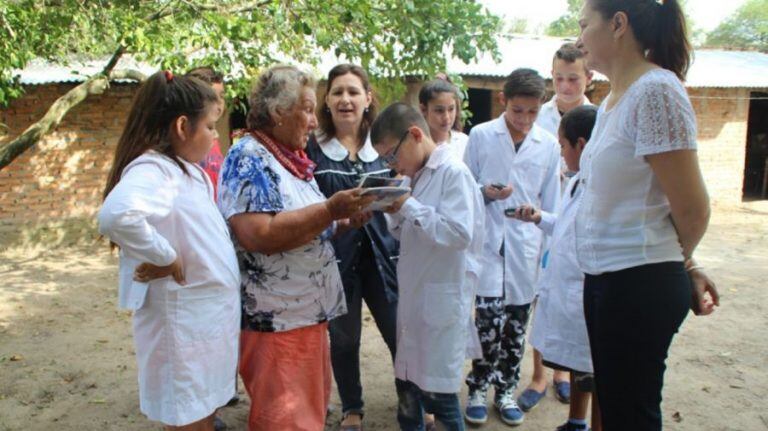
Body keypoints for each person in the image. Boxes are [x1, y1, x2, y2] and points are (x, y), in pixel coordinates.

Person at [575, 1, 719, 429]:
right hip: (607, 279)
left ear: (618, 24)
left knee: (631, 416)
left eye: (585, 25)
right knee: (616, 407)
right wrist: (685, 262)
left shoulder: (656, 91)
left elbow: (692, 208)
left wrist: (677, 262)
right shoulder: (613, 102)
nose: (579, 37)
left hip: (637, 283)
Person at [216, 65, 373, 431]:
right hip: (277, 320)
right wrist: (330, 208)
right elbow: (258, 234)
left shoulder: (286, 159)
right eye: (306, 109)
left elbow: (303, 224)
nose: (314, 121)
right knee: (285, 422)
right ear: (277, 113)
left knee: (307, 416)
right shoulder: (249, 157)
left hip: (305, 314)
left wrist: (343, 220)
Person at [98, 71, 240, 431]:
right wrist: (165, 255)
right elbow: (117, 215)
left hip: (205, 320)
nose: (214, 135)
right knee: (187, 418)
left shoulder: (187, 172)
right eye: (210, 126)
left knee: (203, 411)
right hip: (182, 325)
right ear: (182, 126)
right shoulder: (154, 170)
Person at [371, 102, 484, 431]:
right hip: (417, 300)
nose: (393, 164)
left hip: (440, 302)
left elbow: (458, 232)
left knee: (441, 400)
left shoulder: (453, 172)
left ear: (415, 135)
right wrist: (392, 208)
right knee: (409, 391)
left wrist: (409, 207)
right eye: (386, 160)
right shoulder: (416, 176)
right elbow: (408, 232)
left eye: (393, 155)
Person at [463, 68, 561, 427]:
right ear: (504, 101)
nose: (525, 120)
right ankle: (477, 388)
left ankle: (505, 391)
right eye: (518, 110)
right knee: (487, 324)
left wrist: (536, 216)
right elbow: (463, 189)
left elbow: (553, 206)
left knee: (516, 329)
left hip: (525, 248)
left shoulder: (548, 145)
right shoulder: (481, 136)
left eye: (533, 112)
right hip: (488, 243)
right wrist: (484, 193)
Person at [306, 63, 400, 431]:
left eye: (353, 92)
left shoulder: (384, 147)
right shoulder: (313, 150)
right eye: (337, 92)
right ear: (326, 101)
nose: (346, 99)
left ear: (368, 99)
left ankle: (412, 397)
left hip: (382, 256)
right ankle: (352, 407)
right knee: (343, 339)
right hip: (335, 259)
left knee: (398, 333)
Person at [512, 105, 601, 431]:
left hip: (584, 295)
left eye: (563, 146)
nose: (561, 155)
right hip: (567, 293)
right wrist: (539, 217)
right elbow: (564, 225)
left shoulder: (601, 190)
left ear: (580, 145)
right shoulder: (578, 182)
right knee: (580, 365)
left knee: (593, 371)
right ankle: (576, 421)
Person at [520, 42, 594, 412]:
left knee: (573, 302)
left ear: (589, 78)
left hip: (581, 222)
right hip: (546, 218)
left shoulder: (601, 120)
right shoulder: (540, 116)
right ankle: (539, 375)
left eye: (573, 79)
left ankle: (566, 373)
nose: (565, 86)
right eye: (559, 78)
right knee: (542, 294)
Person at [186, 66, 226, 200]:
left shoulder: (214, 139)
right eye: (213, 97)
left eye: (222, 96)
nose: (219, 103)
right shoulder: (189, 141)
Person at [419, 78, 470, 161]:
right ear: (423, 109)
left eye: (451, 109)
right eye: (439, 110)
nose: (446, 117)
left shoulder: (464, 143)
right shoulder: (416, 145)